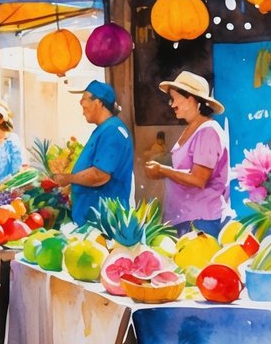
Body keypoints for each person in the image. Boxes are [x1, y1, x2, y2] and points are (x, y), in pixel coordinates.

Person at [143, 71, 230, 232]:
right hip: (184, 219)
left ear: (191, 98)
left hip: (201, 221)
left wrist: (162, 170)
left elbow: (198, 179)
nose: (172, 105)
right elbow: (183, 166)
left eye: (174, 98)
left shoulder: (208, 131)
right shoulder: (192, 129)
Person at [55, 80, 134, 226]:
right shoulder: (105, 129)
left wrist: (68, 179)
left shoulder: (112, 131)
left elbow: (100, 175)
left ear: (98, 103)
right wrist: (72, 187)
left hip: (103, 223)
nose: (81, 103)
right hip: (92, 220)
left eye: (84, 99)